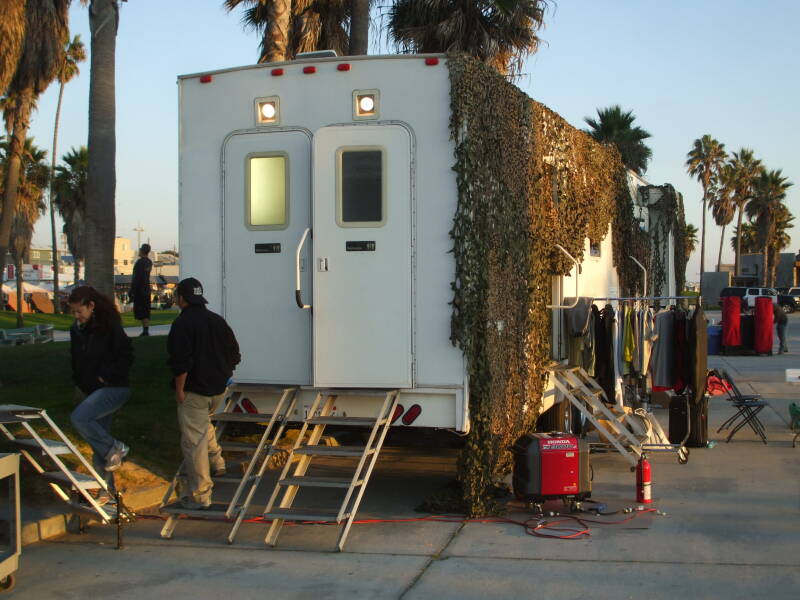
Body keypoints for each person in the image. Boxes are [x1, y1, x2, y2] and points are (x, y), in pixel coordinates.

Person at [167, 277, 240, 509]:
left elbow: (181, 362)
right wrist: (224, 373)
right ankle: (217, 462)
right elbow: (235, 354)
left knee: (193, 441)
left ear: (181, 298)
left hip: (194, 390)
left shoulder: (182, 324)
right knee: (203, 425)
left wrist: (179, 389)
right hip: (218, 389)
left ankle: (200, 496)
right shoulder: (217, 321)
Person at [68, 286, 134, 504]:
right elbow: (77, 359)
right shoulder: (76, 330)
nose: (77, 316)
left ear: (91, 306)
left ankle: (116, 447)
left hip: (114, 387)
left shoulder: (108, 326)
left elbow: (126, 354)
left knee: (79, 418)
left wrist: (106, 375)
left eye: (80, 311)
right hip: (92, 389)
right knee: (99, 448)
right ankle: (107, 491)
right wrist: (79, 380)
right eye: (74, 312)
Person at [130, 243, 153, 336]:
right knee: (146, 310)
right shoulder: (149, 262)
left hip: (140, 289)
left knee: (142, 309)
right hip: (146, 288)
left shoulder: (140, 262)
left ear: (142, 251)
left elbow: (137, 277)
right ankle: (146, 329)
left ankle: (145, 330)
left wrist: (132, 289)